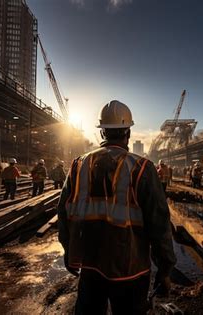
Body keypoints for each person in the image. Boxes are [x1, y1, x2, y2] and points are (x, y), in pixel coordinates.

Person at [58, 100, 176, 314]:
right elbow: (159, 225)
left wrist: (69, 252)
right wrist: (165, 269)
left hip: (90, 266)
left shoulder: (78, 166)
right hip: (131, 269)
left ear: (102, 133)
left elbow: (63, 213)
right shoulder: (142, 169)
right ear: (128, 132)